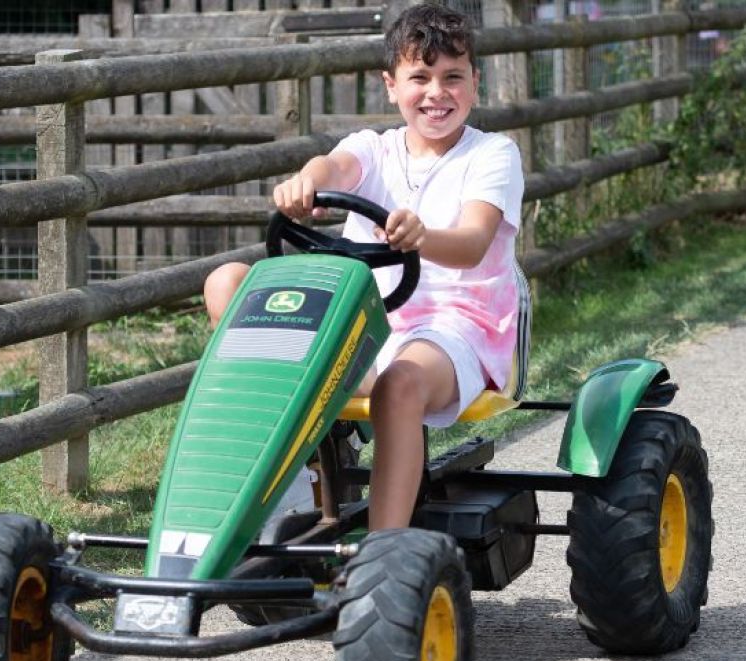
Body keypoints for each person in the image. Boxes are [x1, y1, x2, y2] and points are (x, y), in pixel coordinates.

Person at [204, 3, 525, 531]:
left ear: (475, 82)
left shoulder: (491, 155)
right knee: (228, 283)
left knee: (399, 384)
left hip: (453, 331)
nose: (436, 93)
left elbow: (471, 243)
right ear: (391, 85)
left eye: (452, 77)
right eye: (419, 77)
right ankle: (288, 485)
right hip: (366, 325)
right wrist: (305, 181)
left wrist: (422, 237)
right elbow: (333, 166)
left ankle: (385, 549)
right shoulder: (373, 149)